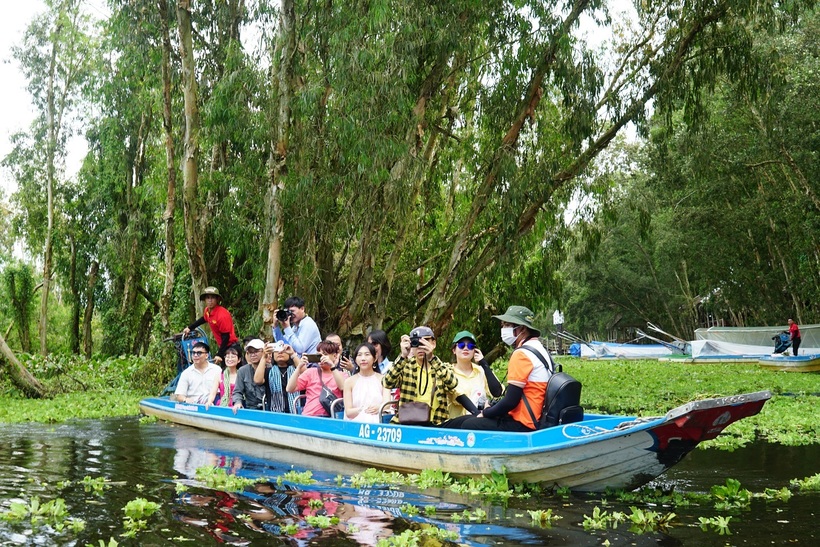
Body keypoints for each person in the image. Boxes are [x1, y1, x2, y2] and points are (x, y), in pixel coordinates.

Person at [443, 305, 553, 431]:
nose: (503, 329)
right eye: (503, 325)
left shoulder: (522, 354)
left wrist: (486, 413)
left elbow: (510, 401)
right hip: (535, 417)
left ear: (521, 329)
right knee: (467, 420)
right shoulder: (540, 349)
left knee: (469, 424)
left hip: (524, 422)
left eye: (507, 325)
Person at [382, 326, 457, 426]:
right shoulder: (405, 366)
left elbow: (453, 383)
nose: (421, 347)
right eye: (416, 343)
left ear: (433, 343)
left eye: (425, 341)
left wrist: (432, 358)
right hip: (408, 422)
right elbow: (386, 383)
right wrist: (403, 356)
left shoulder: (443, 367)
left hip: (437, 423)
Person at [446, 331, 503, 419]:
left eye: (470, 346)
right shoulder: (448, 372)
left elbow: (497, 393)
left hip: (479, 425)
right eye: (461, 345)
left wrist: (484, 363)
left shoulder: (481, 371)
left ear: (475, 351)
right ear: (454, 350)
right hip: (457, 426)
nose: (466, 348)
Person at [286, 340, 349, 417]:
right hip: (309, 416)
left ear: (335, 356)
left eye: (325, 354)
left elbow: (342, 387)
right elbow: (289, 389)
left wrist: (332, 366)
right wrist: (299, 367)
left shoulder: (342, 374)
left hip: (332, 416)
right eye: (318, 355)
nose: (321, 358)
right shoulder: (310, 372)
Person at [182, 286, 239, 365]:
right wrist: (190, 327)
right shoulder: (207, 310)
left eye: (212, 298)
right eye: (208, 298)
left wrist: (219, 354)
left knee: (232, 373)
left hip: (231, 347)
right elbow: (204, 319)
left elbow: (226, 337)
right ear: (205, 300)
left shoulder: (222, 315)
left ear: (217, 300)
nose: (210, 300)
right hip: (224, 347)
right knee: (223, 374)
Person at [343, 343, 390, 423]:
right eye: (359, 355)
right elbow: (348, 412)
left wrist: (378, 408)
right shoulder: (349, 382)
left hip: (378, 421)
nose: (363, 358)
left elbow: (387, 405)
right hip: (356, 422)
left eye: (367, 354)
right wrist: (363, 410)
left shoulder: (383, 379)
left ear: (374, 358)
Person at [231, 339, 268, 412]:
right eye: (250, 352)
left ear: (264, 352)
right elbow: (237, 391)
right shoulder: (243, 371)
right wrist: (238, 403)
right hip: (251, 409)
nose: (253, 354)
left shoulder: (271, 369)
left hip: (269, 408)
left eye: (256, 351)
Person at [264, 341, 301, 413]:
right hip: (276, 413)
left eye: (283, 350)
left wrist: (293, 354)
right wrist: (263, 357)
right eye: (276, 351)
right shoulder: (268, 371)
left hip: (297, 411)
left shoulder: (296, 370)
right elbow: (257, 380)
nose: (280, 353)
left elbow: (305, 373)